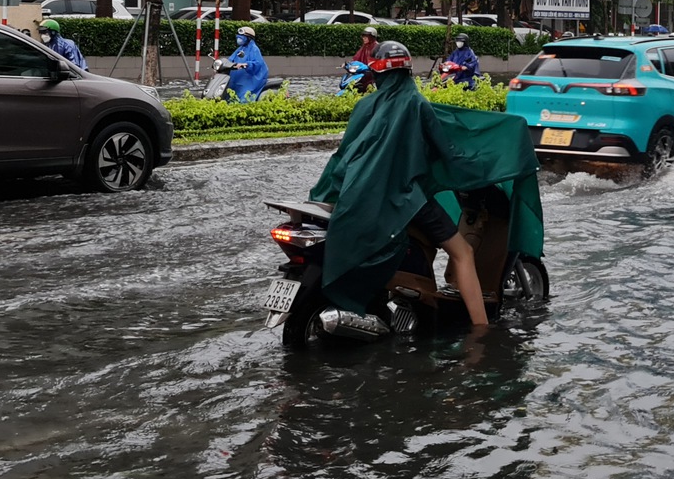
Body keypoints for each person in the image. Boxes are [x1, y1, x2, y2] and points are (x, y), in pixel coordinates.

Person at [312, 40, 530, 335]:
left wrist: (321, 196)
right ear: (408, 72)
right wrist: (488, 166)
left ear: (376, 74)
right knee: (463, 252)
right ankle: (481, 333)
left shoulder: (364, 107)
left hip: (357, 197)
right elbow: (449, 153)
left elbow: (343, 156)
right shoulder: (417, 104)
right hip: (405, 198)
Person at [223, 25, 270, 102]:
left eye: (242, 37)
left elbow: (257, 63)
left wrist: (246, 64)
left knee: (243, 98)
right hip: (237, 79)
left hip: (249, 80)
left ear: (248, 38)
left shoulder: (254, 49)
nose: (239, 39)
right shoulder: (240, 49)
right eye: (238, 37)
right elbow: (231, 60)